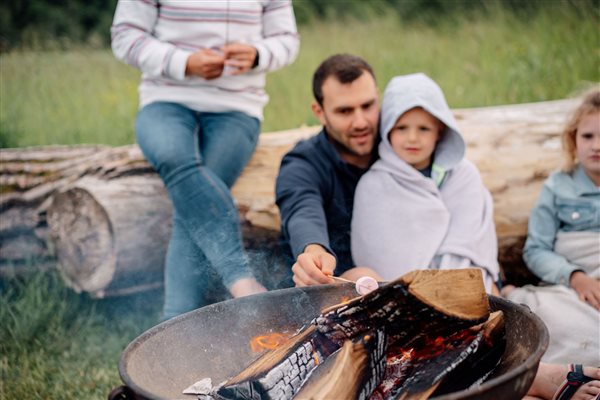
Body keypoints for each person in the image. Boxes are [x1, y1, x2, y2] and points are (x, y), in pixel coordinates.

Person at [111, 0, 299, 320]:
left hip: (237, 108)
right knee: (177, 160)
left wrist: (257, 55)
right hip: (165, 101)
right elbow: (125, 35)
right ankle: (240, 279)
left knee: (192, 205)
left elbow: (287, 40)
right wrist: (184, 62)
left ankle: (174, 331)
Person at [351, 73, 499, 293]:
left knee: (495, 300)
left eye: (423, 129)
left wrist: (452, 287)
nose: (412, 138)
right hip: (406, 295)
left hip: (464, 286)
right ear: (388, 130)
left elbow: (471, 242)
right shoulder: (373, 185)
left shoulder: (463, 176)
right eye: (402, 128)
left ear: (439, 131)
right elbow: (379, 253)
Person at [503, 90, 600, 366]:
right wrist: (576, 276)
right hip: (571, 285)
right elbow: (536, 249)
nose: (596, 145)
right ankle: (515, 296)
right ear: (573, 140)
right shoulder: (558, 187)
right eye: (588, 136)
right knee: (555, 321)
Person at [275, 54, 383, 287]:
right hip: (330, 293)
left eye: (367, 105)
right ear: (320, 112)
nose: (361, 122)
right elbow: (301, 210)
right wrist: (314, 249)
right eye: (345, 111)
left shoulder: (399, 147)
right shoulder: (303, 163)